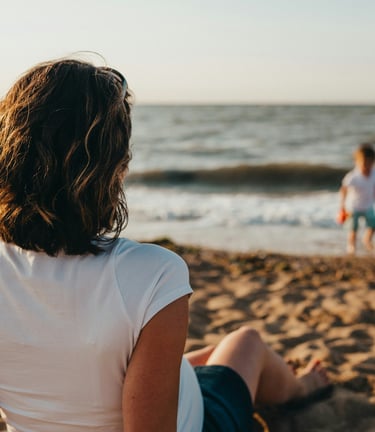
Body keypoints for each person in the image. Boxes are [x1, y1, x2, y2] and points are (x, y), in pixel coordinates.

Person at [0, 58, 330, 432]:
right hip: (203, 421)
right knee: (246, 343)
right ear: (114, 168)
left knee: (195, 358)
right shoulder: (153, 274)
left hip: (99, 391)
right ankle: (305, 387)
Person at [339, 143, 375, 254]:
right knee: (353, 228)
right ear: (357, 162)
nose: (366, 166)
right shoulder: (354, 176)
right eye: (363, 163)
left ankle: (367, 240)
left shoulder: (374, 173)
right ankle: (351, 246)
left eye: (369, 163)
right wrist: (342, 206)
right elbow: (344, 189)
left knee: (373, 224)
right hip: (353, 206)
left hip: (368, 205)